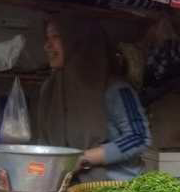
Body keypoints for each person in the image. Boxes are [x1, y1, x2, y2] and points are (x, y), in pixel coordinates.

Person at [36, 14, 151, 182]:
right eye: (47, 38)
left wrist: (82, 159)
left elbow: (139, 137)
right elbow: (44, 144)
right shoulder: (51, 89)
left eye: (55, 37)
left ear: (78, 43)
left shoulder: (114, 89)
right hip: (66, 190)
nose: (47, 46)